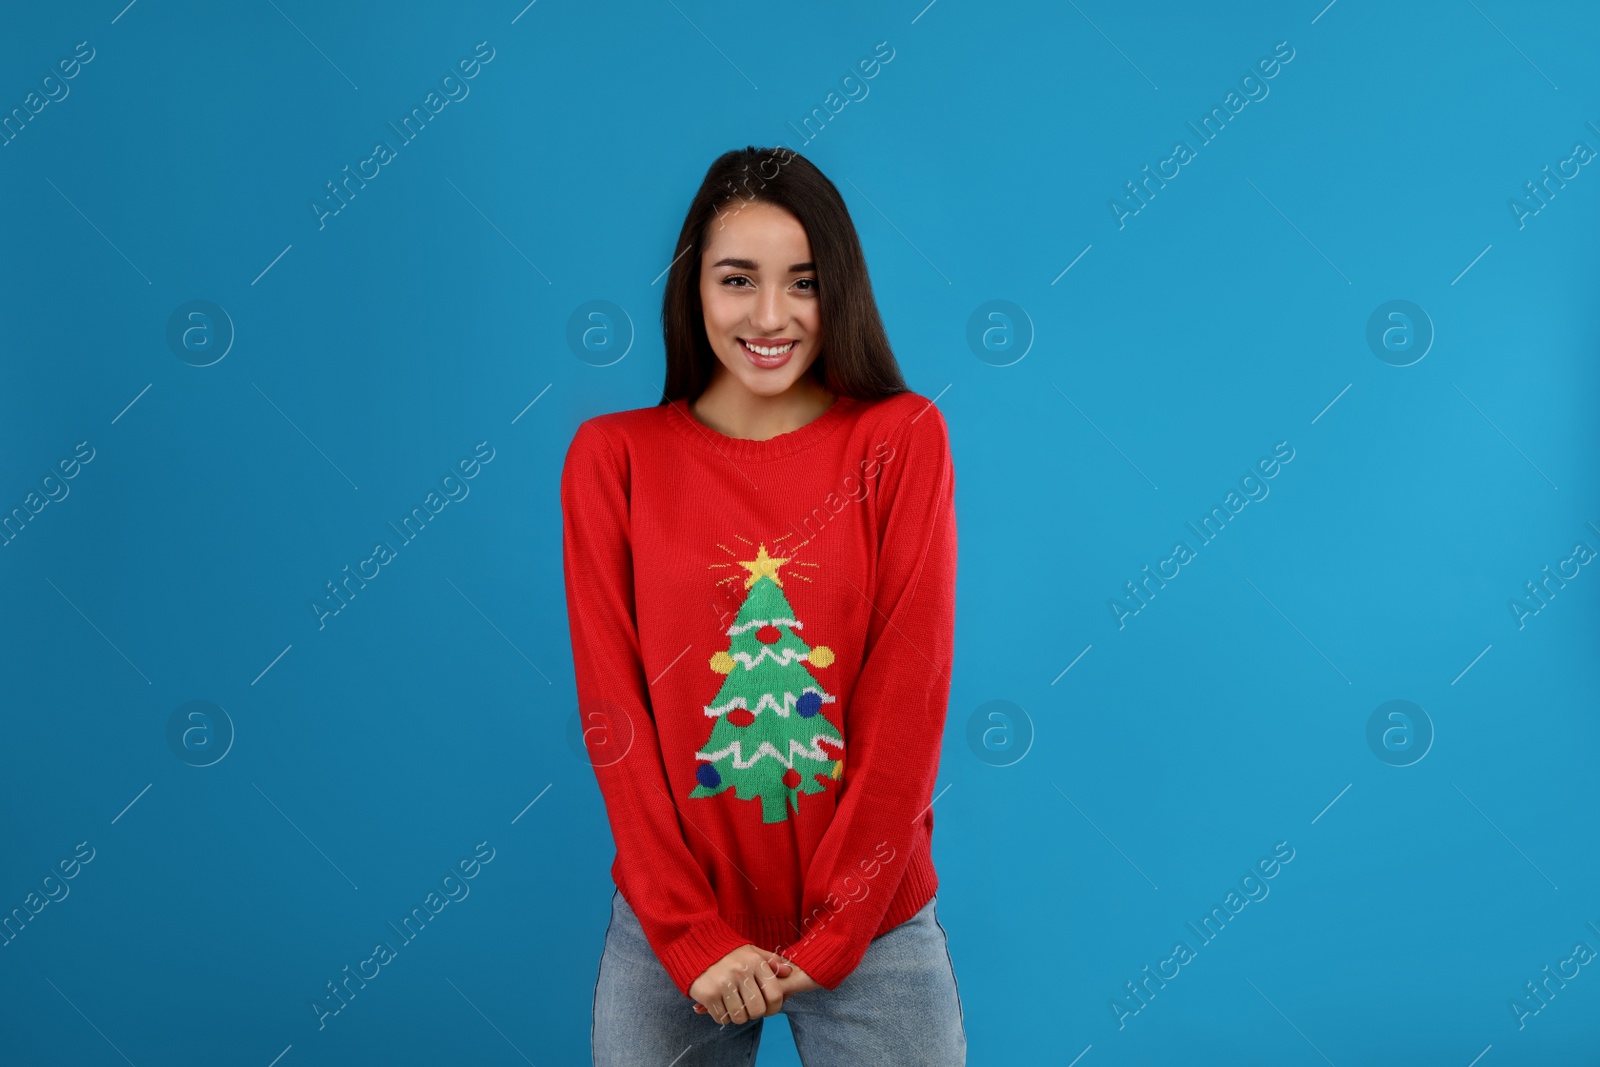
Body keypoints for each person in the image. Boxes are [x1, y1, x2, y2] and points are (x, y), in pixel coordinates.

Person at [561, 145, 965, 1066]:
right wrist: (687, 932)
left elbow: (910, 697)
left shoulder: (899, 441)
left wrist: (837, 930)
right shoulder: (611, 460)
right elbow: (612, 711)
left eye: (805, 282)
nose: (771, 317)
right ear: (693, 287)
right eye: (738, 279)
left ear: (843, 291)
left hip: (874, 932)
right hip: (675, 939)